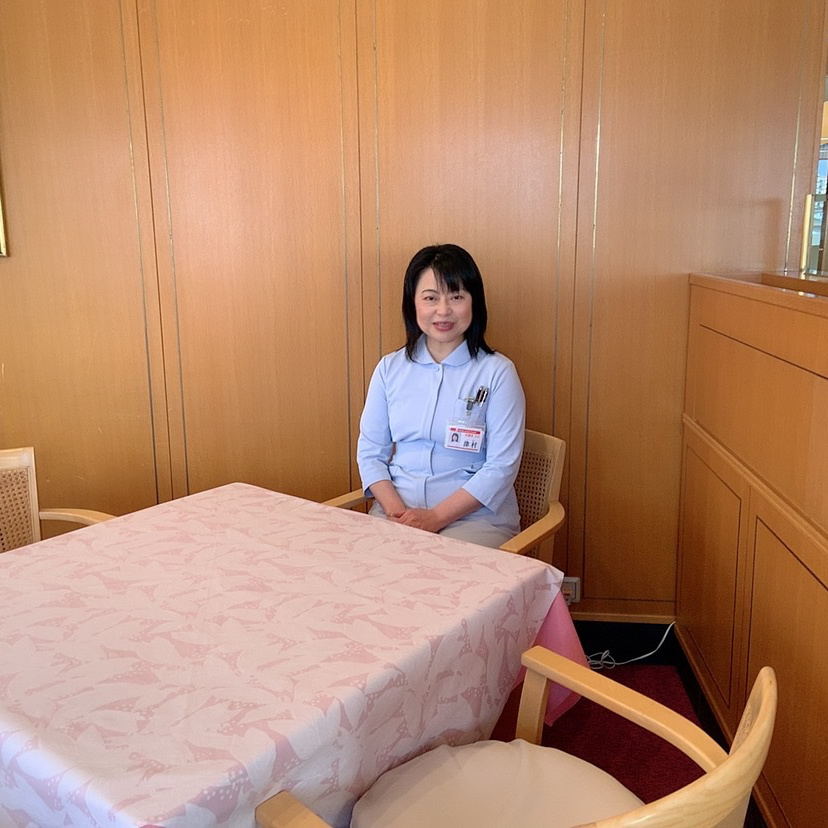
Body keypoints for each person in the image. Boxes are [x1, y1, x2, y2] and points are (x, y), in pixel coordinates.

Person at [356, 243, 526, 548]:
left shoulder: (498, 372)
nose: (443, 310)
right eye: (431, 298)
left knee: (436, 572)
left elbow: (501, 466)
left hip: (475, 521)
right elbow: (370, 453)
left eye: (456, 297)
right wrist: (398, 514)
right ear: (413, 304)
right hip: (396, 513)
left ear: (474, 302)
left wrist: (434, 518)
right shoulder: (389, 369)